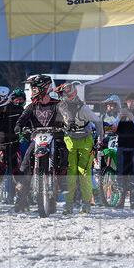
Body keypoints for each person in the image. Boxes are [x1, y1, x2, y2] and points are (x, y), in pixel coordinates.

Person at [13, 74, 63, 212]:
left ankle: (63, 186)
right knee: (25, 162)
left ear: (45, 88)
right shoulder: (32, 106)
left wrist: (69, 122)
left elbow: (66, 114)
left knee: (64, 156)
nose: (32, 92)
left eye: (34, 89)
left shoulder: (57, 104)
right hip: (37, 138)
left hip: (55, 138)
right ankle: (22, 199)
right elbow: (22, 119)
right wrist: (19, 126)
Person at [55, 82, 102, 214]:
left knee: (84, 173)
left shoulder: (83, 109)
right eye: (60, 96)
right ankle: (69, 203)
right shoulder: (60, 107)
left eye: (63, 95)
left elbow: (98, 121)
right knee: (70, 173)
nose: (61, 98)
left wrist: (99, 139)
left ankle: (86, 203)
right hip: (69, 140)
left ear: (70, 95)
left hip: (85, 141)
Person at [113, 92, 134, 208]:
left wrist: (133, 118)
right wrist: (118, 117)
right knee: (120, 174)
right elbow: (114, 129)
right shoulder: (121, 114)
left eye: (133, 101)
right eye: (129, 101)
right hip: (122, 146)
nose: (131, 104)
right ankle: (120, 201)